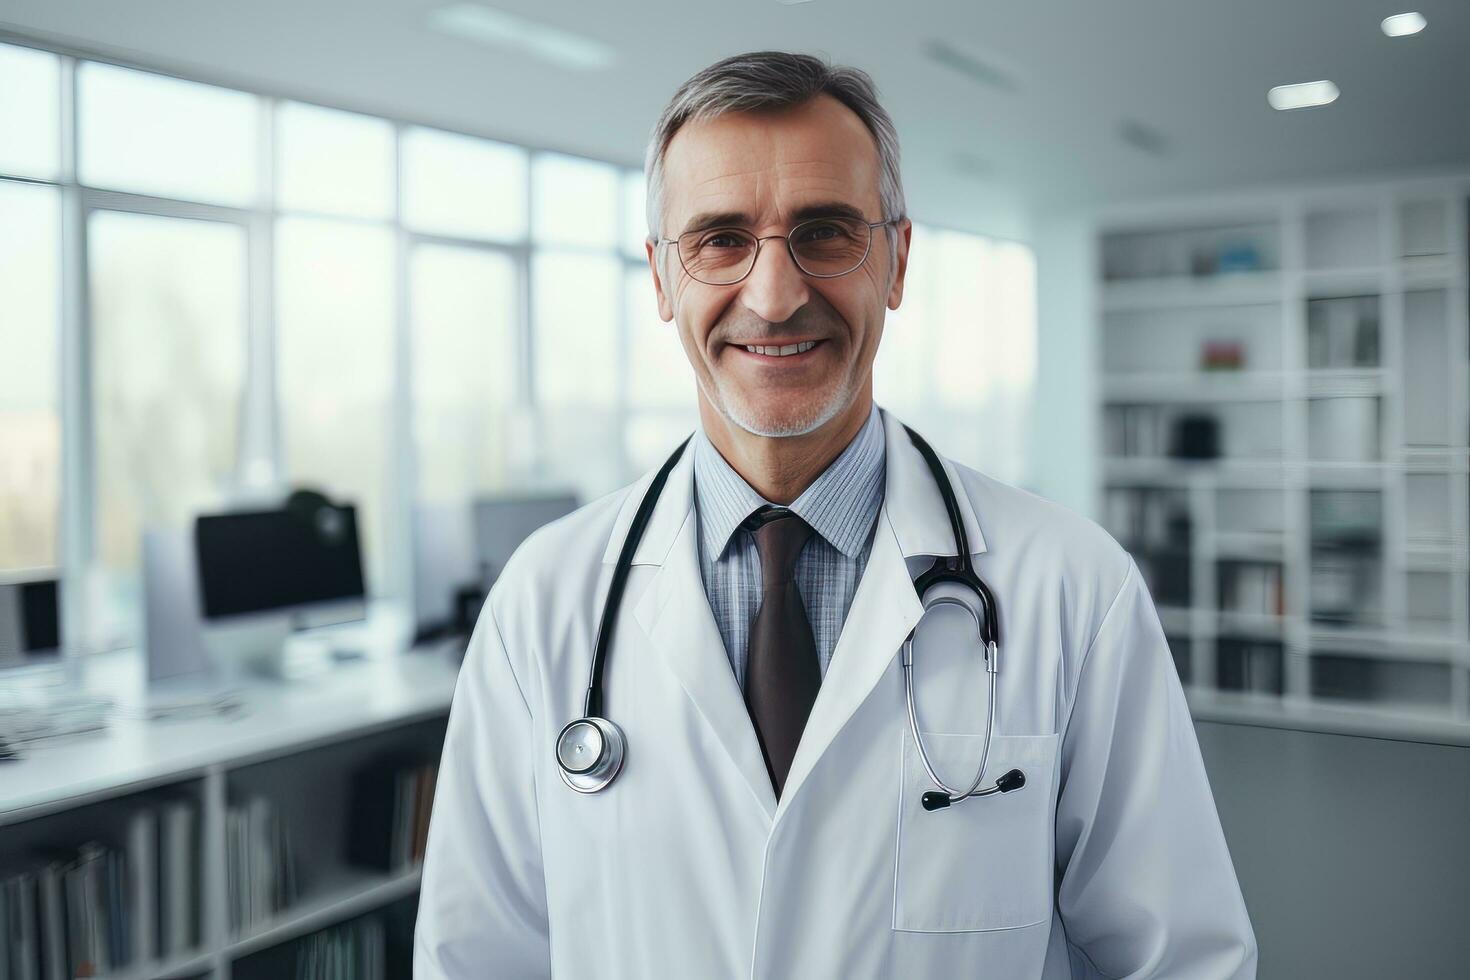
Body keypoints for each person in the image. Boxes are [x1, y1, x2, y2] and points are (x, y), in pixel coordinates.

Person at [414, 51, 1257, 978]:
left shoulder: (1072, 587)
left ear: (896, 260)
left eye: (824, 233)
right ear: (661, 279)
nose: (775, 296)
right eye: (721, 240)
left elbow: (1181, 962)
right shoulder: (544, 600)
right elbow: (475, 962)